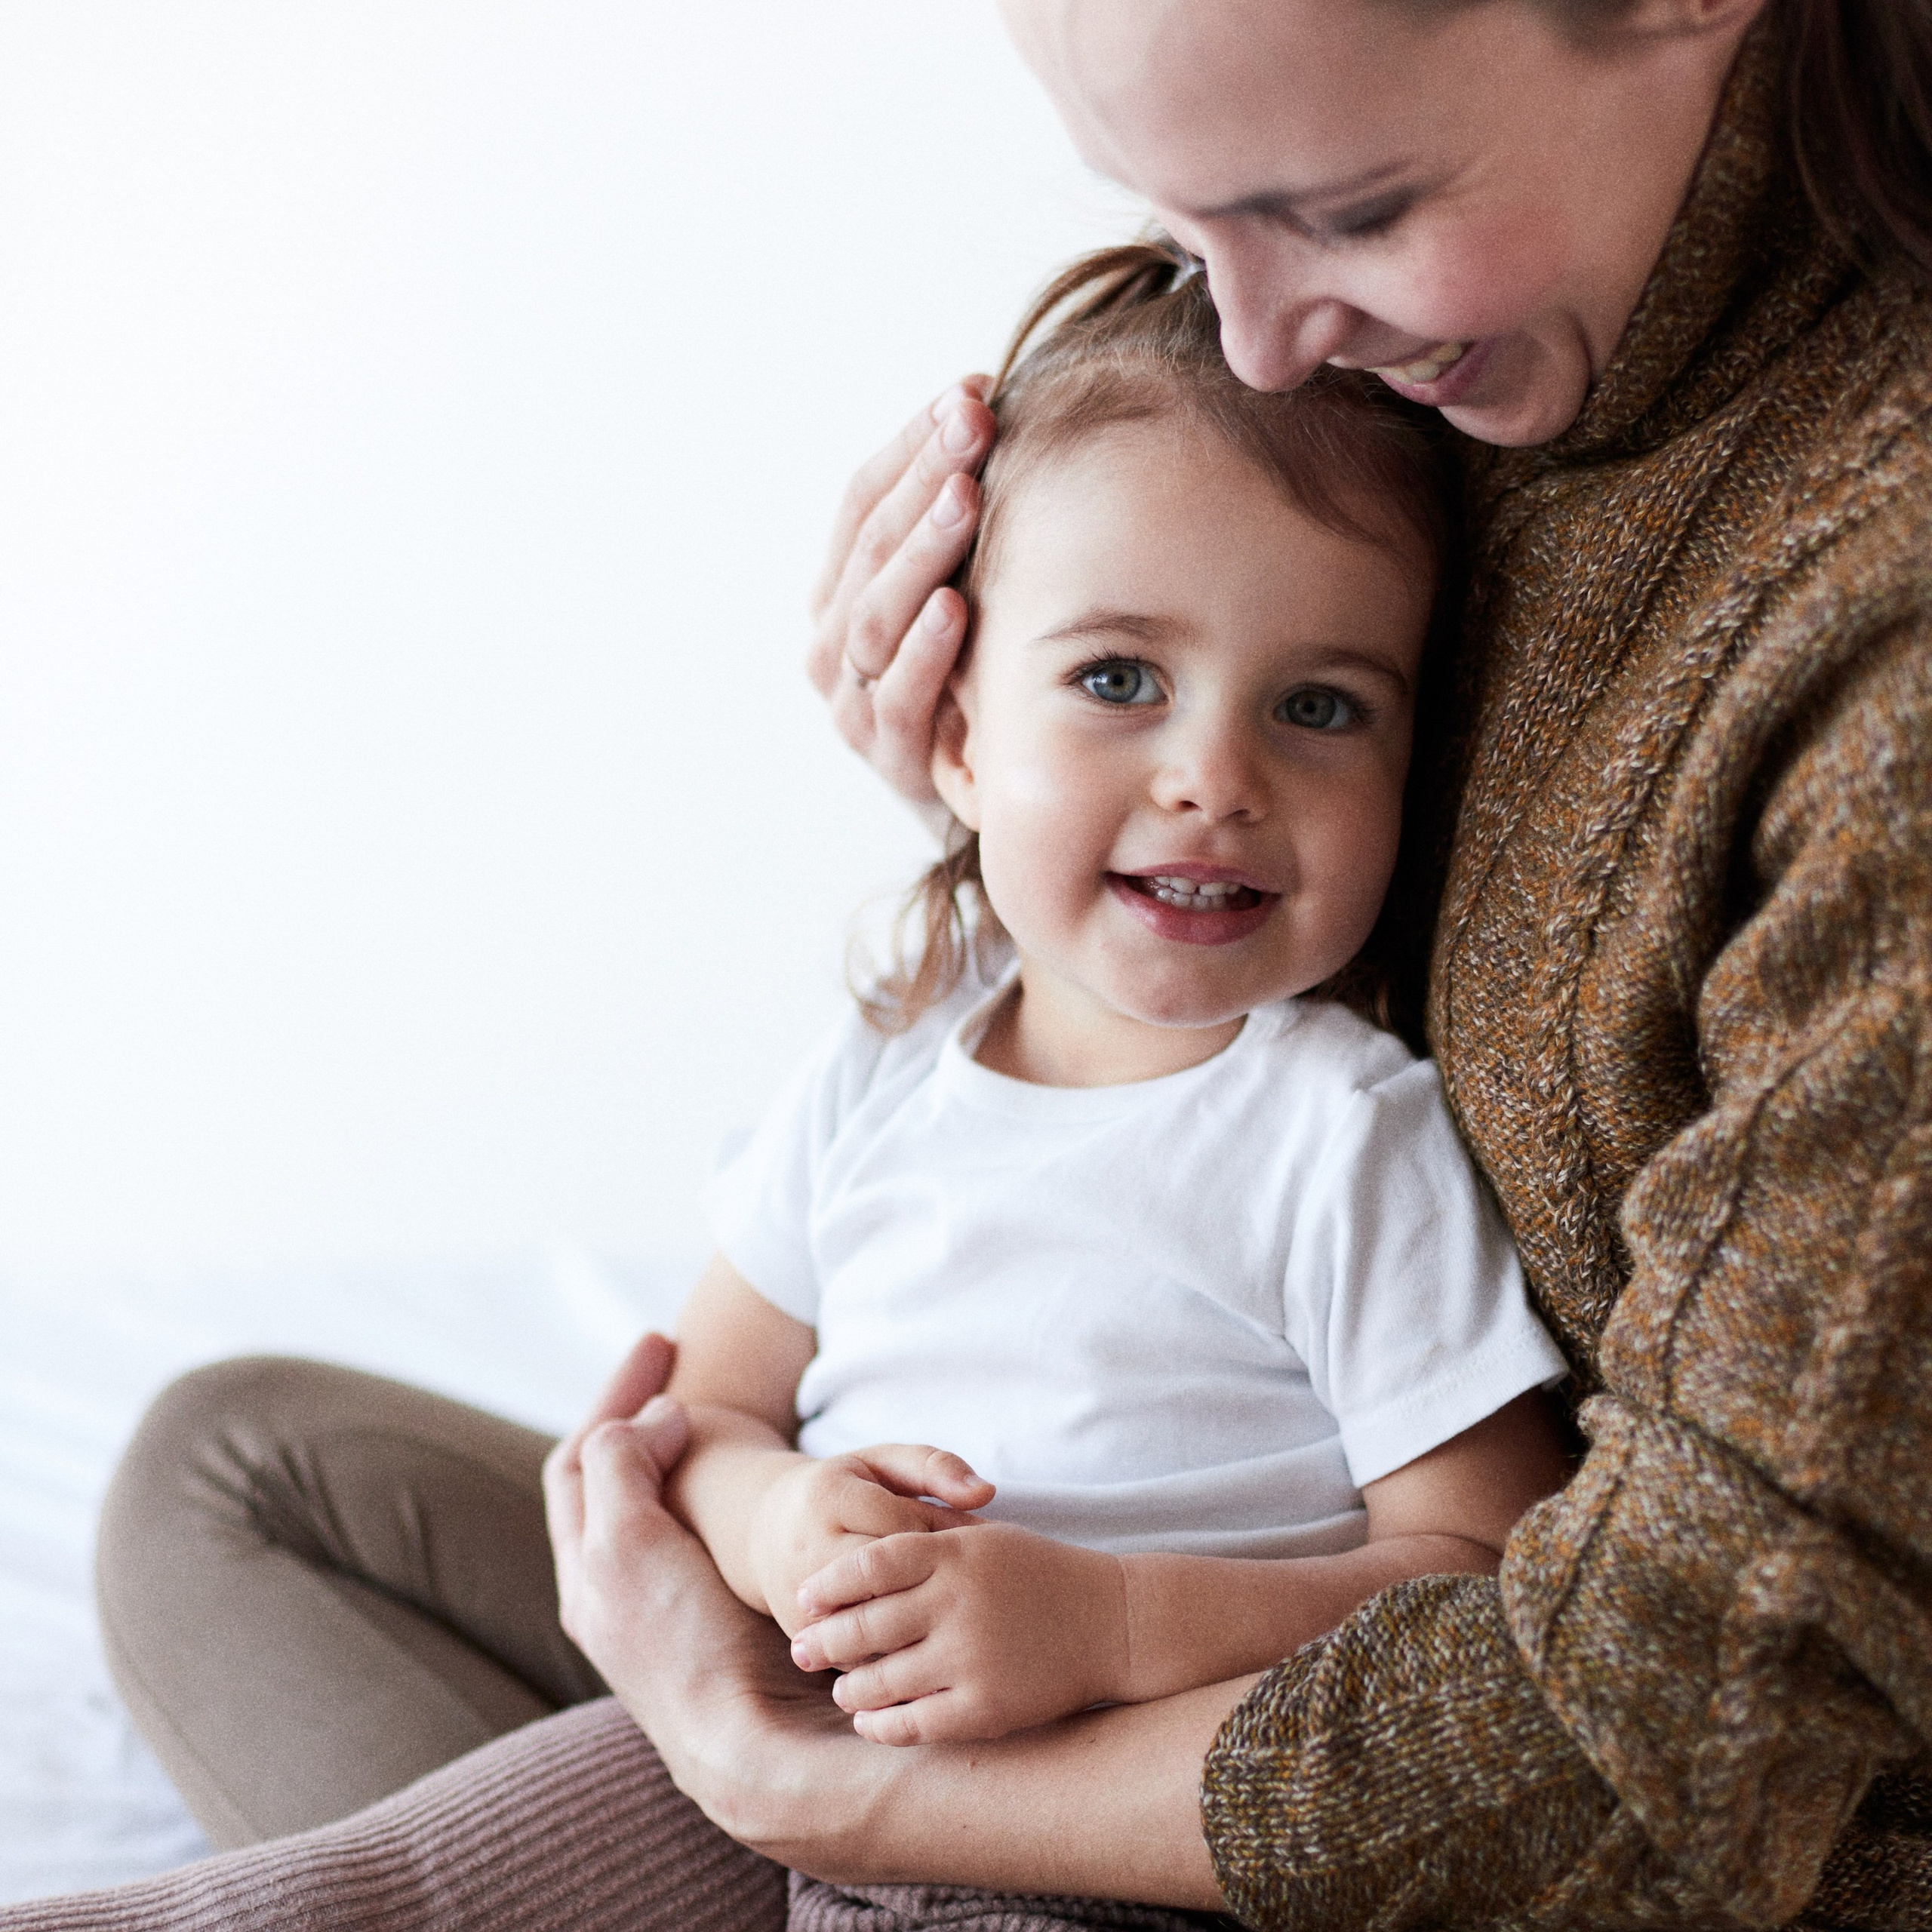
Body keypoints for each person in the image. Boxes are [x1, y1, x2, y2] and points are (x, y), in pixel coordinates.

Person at [7, 0, 1929, 1926]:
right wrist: (1004, 794)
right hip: (901, 1670)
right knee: (235, 1469)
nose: (1258, 344)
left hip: (1241, 1772)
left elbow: (1648, 1709)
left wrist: (821, 1780)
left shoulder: (1862, 639)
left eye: (1344, 209)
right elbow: (704, 1411)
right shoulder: (1448, 369)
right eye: (1180, 224)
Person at [660, 246, 1571, 1769]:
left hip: (1077, 1817)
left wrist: (1104, 1625)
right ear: (955, 738)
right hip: (797, 1714)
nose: (1213, 776)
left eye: (1318, 706)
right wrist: (775, 1524)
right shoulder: (885, 1058)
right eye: (1115, 677)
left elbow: (1484, 1565)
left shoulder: (1333, 1129)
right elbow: (703, 1414)